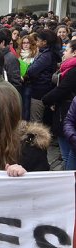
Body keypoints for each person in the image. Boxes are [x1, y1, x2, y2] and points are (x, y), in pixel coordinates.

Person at [43, 40, 76, 170]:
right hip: (63, 110)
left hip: (67, 113)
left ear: (74, 53)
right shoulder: (67, 67)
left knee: (69, 155)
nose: (63, 52)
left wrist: (46, 99)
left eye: (66, 50)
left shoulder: (73, 70)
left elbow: (63, 89)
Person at [27, 29, 62, 123]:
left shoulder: (46, 55)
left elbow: (32, 71)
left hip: (40, 90)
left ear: (44, 42)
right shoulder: (49, 53)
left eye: (38, 40)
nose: (36, 42)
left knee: (35, 121)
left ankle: (35, 137)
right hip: (45, 89)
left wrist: (30, 66)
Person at [17, 35, 38, 120]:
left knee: (26, 105)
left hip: (28, 83)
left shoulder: (35, 55)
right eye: (24, 43)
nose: (25, 45)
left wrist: (25, 77)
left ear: (31, 44)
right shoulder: (18, 54)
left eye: (28, 43)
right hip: (19, 83)